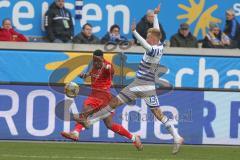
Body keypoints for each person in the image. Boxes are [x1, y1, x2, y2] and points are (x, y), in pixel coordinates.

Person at [77, 5, 184, 155]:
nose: (147, 38)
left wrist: (134, 32)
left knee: (113, 103)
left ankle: (89, 122)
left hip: (139, 84)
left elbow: (145, 44)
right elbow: (156, 30)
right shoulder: (160, 45)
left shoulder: (153, 49)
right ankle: (176, 136)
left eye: (148, 37)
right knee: (159, 114)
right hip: (149, 87)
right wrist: (156, 15)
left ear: (153, 39)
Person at [61, 50, 143, 151]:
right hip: (93, 95)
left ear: (102, 59)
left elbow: (111, 71)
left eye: (98, 60)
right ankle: (75, 132)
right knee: (96, 118)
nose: (96, 62)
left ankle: (134, 138)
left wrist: (108, 68)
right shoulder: (93, 65)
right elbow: (87, 74)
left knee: (105, 123)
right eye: (94, 60)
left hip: (104, 97)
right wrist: (84, 75)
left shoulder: (107, 66)